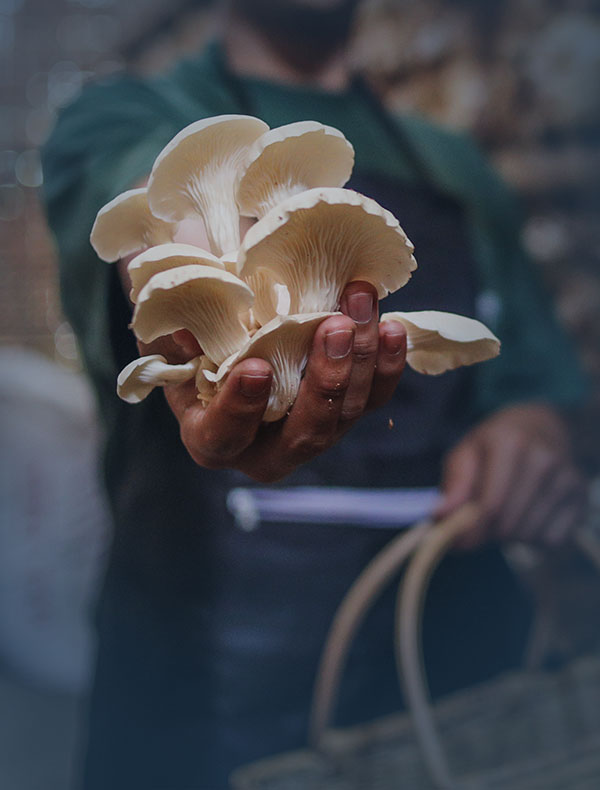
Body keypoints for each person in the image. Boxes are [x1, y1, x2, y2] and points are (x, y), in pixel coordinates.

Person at [41, 1, 588, 787]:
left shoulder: (458, 169)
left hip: (446, 665)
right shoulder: (124, 113)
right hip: (194, 693)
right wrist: (193, 293)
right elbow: (143, 213)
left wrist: (530, 437)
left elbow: (534, 380)